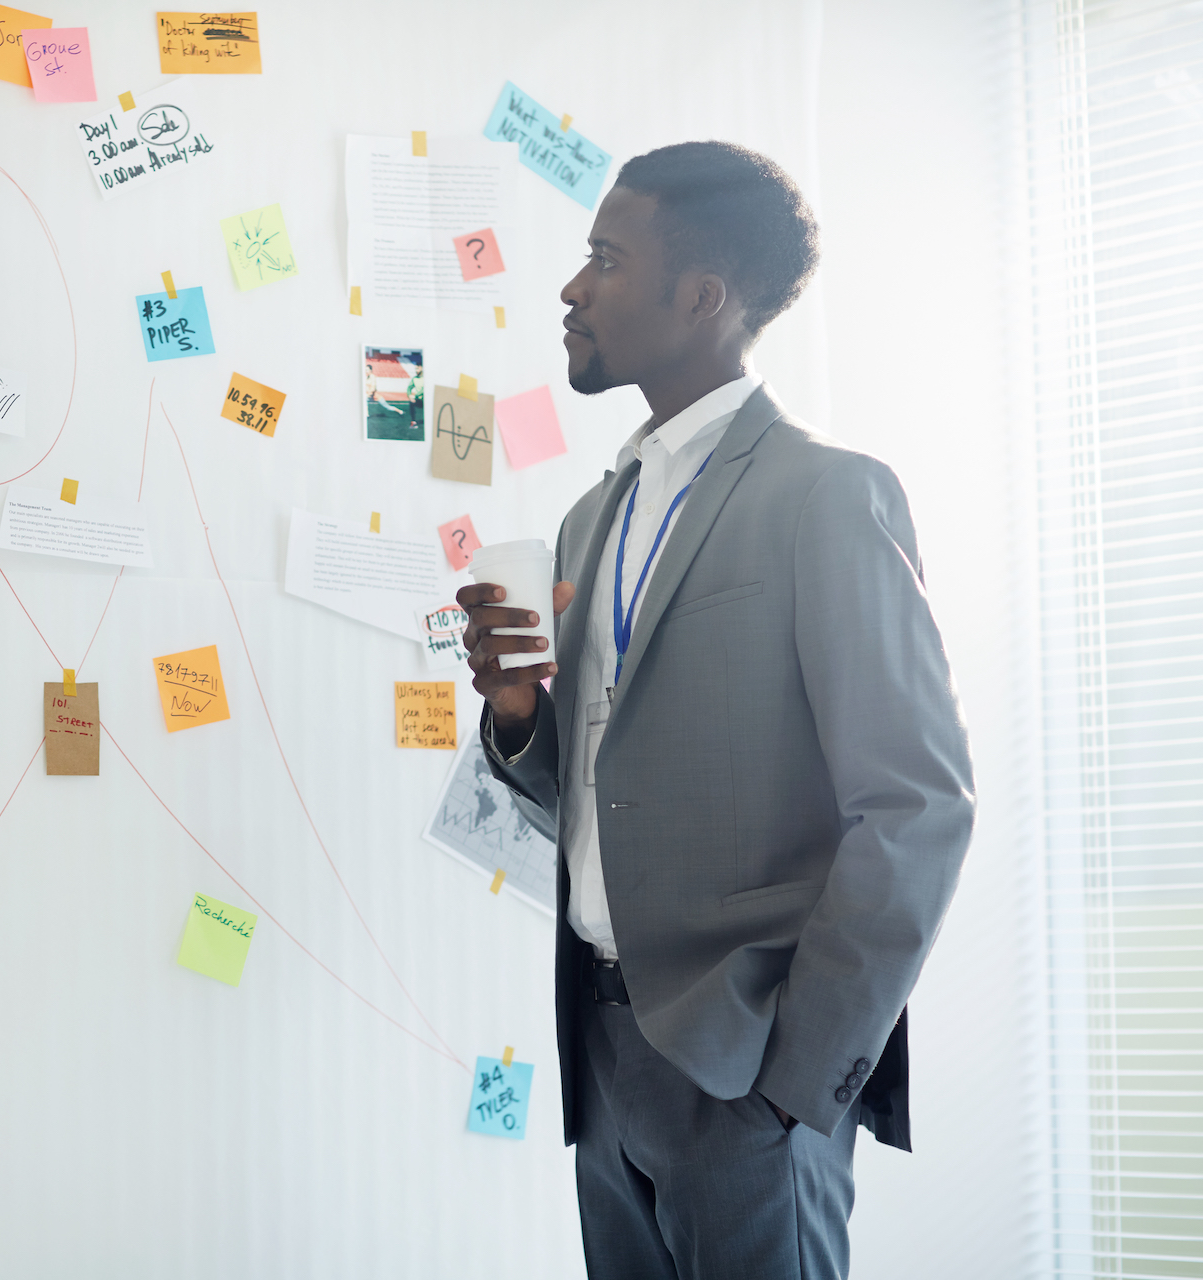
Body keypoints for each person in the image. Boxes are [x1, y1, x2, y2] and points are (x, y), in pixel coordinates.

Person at [456, 141, 974, 1279]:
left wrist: (798, 1079)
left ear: (700, 296)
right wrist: (514, 716)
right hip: (599, 1050)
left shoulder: (827, 495)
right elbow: (604, 797)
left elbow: (918, 807)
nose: (571, 287)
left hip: (746, 1067)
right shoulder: (591, 520)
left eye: (604, 258)